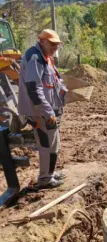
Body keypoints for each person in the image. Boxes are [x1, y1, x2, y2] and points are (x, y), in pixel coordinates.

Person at [18, 29, 67, 189]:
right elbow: (34, 89)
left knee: (54, 144)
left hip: (49, 112)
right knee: (47, 146)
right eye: (52, 44)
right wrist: (48, 111)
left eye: (57, 45)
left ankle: (50, 174)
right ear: (42, 41)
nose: (55, 48)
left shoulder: (46, 58)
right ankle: (45, 179)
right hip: (41, 113)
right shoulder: (35, 57)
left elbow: (52, 83)